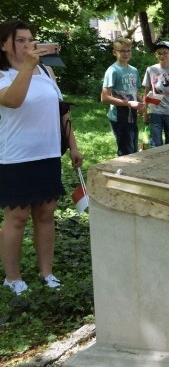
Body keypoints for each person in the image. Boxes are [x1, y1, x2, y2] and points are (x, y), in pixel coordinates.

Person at [1, 19, 82, 295]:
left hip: (47, 154)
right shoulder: (3, 75)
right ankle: (12, 277)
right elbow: (13, 100)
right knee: (17, 217)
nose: (27, 45)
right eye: (19, 40)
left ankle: (47, 272)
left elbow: (62, 111)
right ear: (4, 45)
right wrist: (27, 66)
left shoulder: (46, 71)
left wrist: (73, 146)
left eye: (30, 39)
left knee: (46, 214)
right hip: (15, 157)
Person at [101, 37, 143, 156]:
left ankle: (132, 173)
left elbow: (134, 91)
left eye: (128, 51)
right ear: (115, 52)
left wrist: (142, 104)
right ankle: (121, 173)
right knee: (125, 151)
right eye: (122, 51)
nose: (126, 54)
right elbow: (104, 97)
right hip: (119, 117)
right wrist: (128, 103)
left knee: (133, 149)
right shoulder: (113, 71)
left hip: (132, 115)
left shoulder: (133, 70)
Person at [142, 41, 169, 147]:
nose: (162, 55)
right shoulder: (151, 69)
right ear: (156, 54)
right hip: (155, 111)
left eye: (165, 53)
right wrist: (145, 112)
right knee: (156, 143)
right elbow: (147, 91)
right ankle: (156, 163)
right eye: (159, 53)